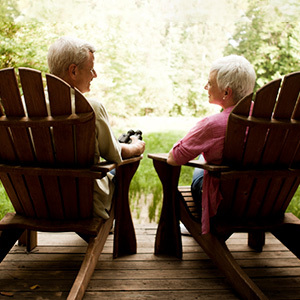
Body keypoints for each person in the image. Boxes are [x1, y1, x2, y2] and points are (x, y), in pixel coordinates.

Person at [47, 36, 145, 220]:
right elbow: (114, 154)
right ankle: (124, 237)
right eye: (91, 69)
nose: (95, 75)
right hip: (82, 204)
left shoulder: (23, 107)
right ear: (73, 71)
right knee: (127, 163)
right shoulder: (90, 108)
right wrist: (135, 146)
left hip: (35, 201)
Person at [167, 55, 256, 234]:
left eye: (210, 83)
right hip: (261, 200)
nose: (205, 87)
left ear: (226, 92)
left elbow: (174, 158)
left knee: (203, 157)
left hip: (224, 204)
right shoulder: (266, 120)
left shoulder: (213, 124)